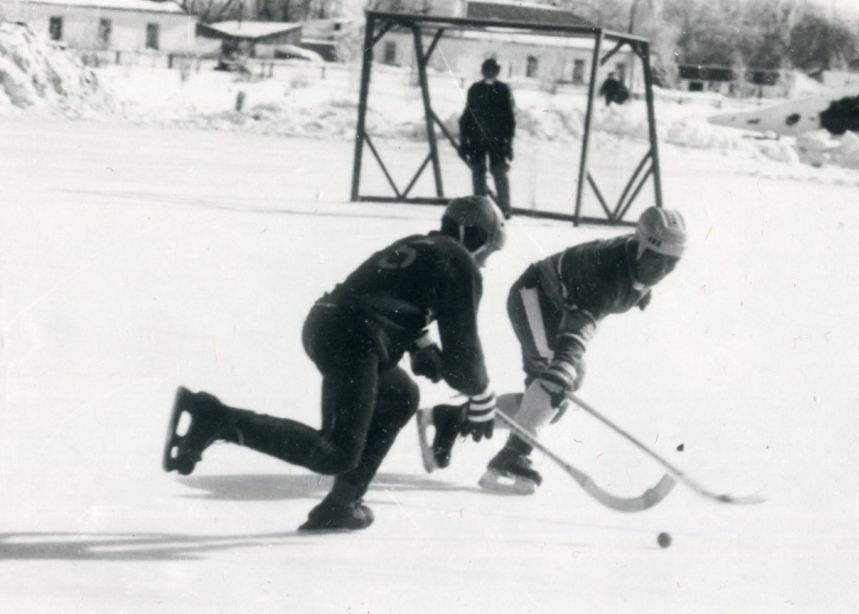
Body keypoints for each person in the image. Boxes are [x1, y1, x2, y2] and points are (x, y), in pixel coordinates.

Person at [163, 195, 507, 530]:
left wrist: (420, 343)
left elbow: (383, 294)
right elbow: (465, 365)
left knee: (401, 395)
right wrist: (482, 393)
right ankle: (216, 418)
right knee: (336, 454)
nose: (485, 261)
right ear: (473, 235)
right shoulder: (461, 262)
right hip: (357, 339)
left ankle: (342, 505)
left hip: (326, 324)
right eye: (488, 250)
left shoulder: (416, 244)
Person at [420, 206, 687, 494]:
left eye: (670, 264)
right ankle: (512, 455)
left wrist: (642, 291)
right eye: (657, 261)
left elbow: (635, 278)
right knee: (561, 381)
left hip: (554, 306)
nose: (661, 271)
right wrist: (563, 368)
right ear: (641, 247)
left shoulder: (635, 260)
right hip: (535, 298)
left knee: (550, 406)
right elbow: (577, 328)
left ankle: (453, 419)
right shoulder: (607, 274)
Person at [459, 58, 516, 219]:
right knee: (478, 172)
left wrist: (508, 143)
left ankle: (505, 209)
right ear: (483, 71)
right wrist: (464, 141)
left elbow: (509, 119)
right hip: (477, 138)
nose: (490, 73)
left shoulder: (503, 90)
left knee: (499, 172)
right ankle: (481, 208)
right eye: (487, 70)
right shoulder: (475, 89)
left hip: (496, 139)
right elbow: (467, 116)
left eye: (493, 70)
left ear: (497, 72)